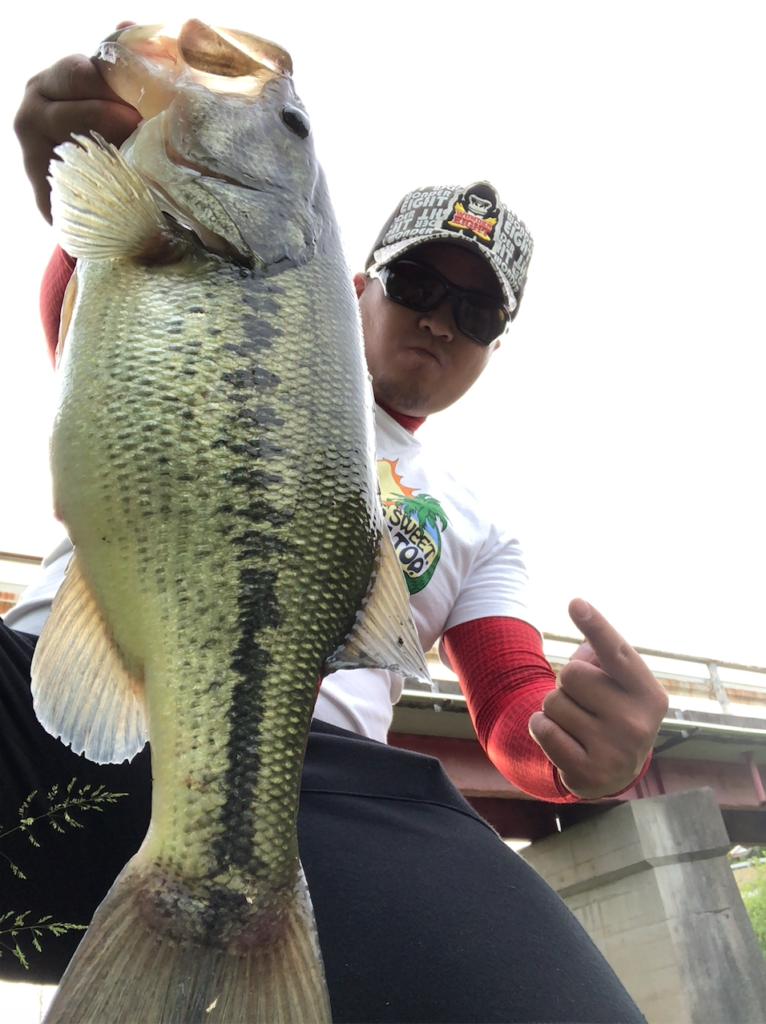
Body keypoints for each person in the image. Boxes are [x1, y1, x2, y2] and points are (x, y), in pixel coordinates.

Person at [2, 41, 667, 1023]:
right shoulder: (207, 294)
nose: (441, 322)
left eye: (478, 312)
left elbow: (509, 706)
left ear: (495, 346)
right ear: (356, 281)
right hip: (51, 711)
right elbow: (94, 304)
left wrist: (578, 756)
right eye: (418, 284)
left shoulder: (481, 524)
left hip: (307, 789)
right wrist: (78, 172)